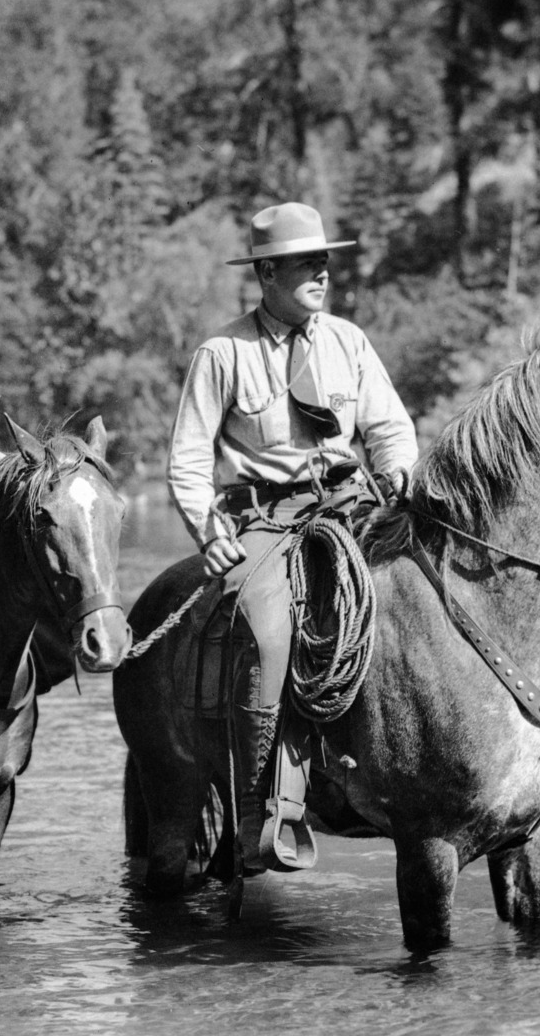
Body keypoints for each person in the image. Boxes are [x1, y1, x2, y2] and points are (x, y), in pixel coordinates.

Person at [167, 202, 418, 871]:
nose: (322, 272)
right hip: (263, 520)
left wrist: (396, 473)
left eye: (324, 260)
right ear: (267, 273)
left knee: (423, 596)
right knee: (266, 626)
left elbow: (389, 428)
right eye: (306, 262)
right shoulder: (223, 353)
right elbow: (188, 462)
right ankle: (259, 808)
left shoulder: (348, 342)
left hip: (348, 509)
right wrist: (207, 530)